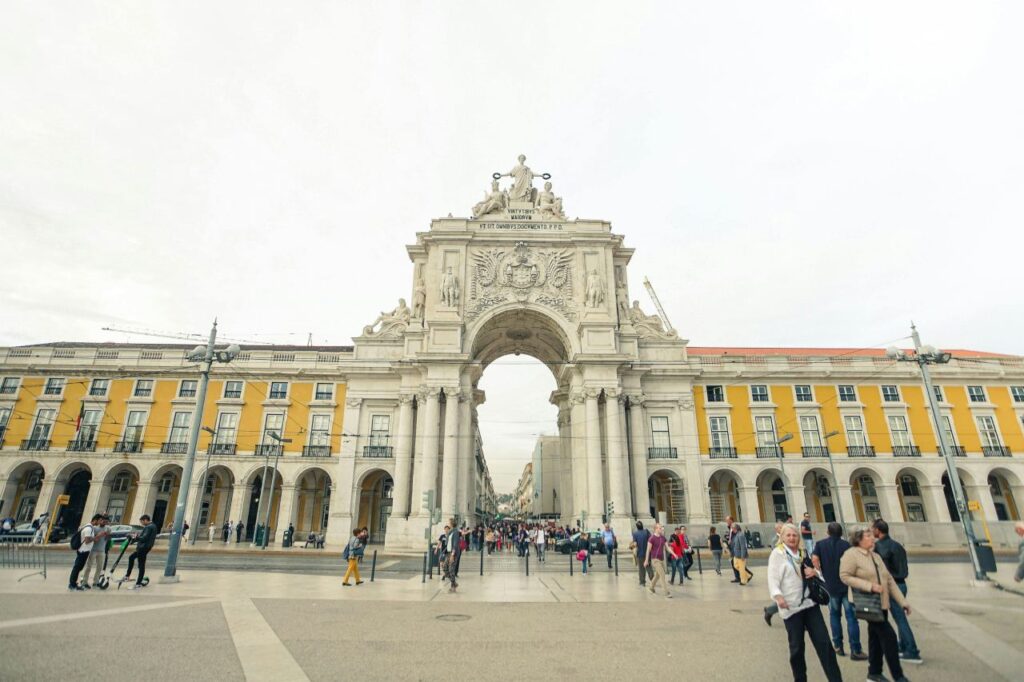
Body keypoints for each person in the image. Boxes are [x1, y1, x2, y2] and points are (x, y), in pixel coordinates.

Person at [768, 523, 842, 682]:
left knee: (824, 644)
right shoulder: (778, 554)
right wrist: (778, 596)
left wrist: (814, 572)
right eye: (788, 535)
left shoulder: (803, 553)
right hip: (791, 608)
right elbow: (772, 579)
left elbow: (818, 577)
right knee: (797, 649)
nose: (792, 538)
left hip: (810, 605)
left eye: (794, 535)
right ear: (782, 537)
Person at [841, 527, 910, 682]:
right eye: (868, 535)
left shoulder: (876, 556)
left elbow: (890, 581)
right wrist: (869, 586)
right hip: (867, 602)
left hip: (882, 603)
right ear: (858, 539)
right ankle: (898, 676)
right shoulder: (851, 555)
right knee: (890, 637)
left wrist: (902, 602)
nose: (872, 538)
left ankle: (874, 673)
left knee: (875, 639)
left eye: (872, 535)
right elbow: (845, 576)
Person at [813, 523, 866, 661]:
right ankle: (856, 649)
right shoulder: (847, 546)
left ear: (828, 532)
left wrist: (820, 571)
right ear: (841, 532)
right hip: (846, 587)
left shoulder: (820, 544)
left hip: (830, 587)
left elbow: (815, 560)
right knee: (851, 618)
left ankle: (838, 646)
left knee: (834, 616)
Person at [872, 520, 922, 665]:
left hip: (892, 587)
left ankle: (912, 651)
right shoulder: (898, 545)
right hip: (902, 584)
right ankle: (903, 646)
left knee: (900, 619)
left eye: (873, 529)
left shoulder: (879, 547)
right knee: (900, 617)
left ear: (878, 530)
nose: (871, 531)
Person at [124, 514, 157, 590]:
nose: (142, 524)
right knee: (132, 558)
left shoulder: (149, 527)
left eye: (142, 522)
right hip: (145, 547)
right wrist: (136, 538)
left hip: (143, 548)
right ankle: (128, 576)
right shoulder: (153, 526)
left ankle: (137, 583)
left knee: (141, 564)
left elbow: (144, 538)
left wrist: (135, 537)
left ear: (145, 520)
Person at [69, 514, 100, 591]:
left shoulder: (89, 527)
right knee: (77, 567)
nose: (99, 523)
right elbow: (87, 540)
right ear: (95, 520)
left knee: (78, 567)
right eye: (99, 521)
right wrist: (94, 539)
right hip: (83, 551)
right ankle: (72, 584)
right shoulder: (89, 529)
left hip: (84, 551)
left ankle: (73, 583)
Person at [644, 523, 676, 598]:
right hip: (655, 560)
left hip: (661, 560)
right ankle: (667, 592)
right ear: (655, 529)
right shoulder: (651, 538)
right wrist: (646, 560)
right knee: (662, 575)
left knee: (657, 576)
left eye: (661, 528)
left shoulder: (663, 538)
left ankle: (651, 588)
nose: (661, 529)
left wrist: (674, 554)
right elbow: (648, 550)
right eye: (659, 528)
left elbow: (667, 548)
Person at [83, 514, 111, 589]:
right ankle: (84, 581)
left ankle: (96, 582)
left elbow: (108, 539)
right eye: (102, 521)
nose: (104, 522)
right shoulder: (94, 528)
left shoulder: (108, 528)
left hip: (102, 550)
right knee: (88, 567)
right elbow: (91, 539)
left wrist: (107, 535)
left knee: (99, 567)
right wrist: (98, 535)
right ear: (100, 520)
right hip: (93, 550)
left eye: (106, 522)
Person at [631, 521, 651, 587]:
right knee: (648, 566)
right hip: (648, 553)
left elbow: (635, 544)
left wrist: (632, 547)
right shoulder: (647, 532)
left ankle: (642, 582)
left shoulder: (635, 534)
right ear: (642, 525)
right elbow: (651, 540)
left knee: (641, 568)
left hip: (640, 553)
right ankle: (652, 579)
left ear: (637, 527)